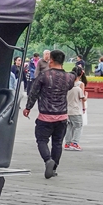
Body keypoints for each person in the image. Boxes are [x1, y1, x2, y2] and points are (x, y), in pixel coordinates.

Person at [24, 49, 75, 179]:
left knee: (41, 140)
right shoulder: (69, 77)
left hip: (45, 116)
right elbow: (70, 86)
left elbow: (34, 92)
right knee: (57, 143)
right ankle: (53, 168)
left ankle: (48, 160)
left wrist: (28, 107)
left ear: (51, 60)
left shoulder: (44, 76)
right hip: (62, 116)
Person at [63, 66, 86, 151]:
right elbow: (83, 98)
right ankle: (75, 143)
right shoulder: (79, 87)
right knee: (78, 126)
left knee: (69, 126)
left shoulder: (66, 86)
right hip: (76, 109)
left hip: (67, 109)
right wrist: (84, 108)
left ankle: (67, 143)